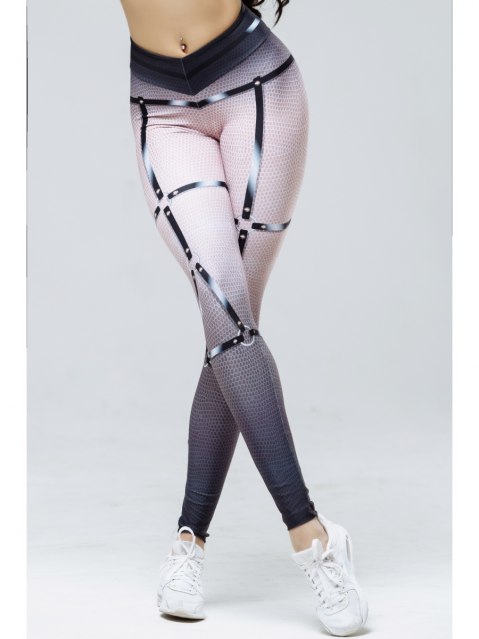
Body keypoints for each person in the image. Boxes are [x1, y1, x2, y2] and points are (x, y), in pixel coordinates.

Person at [119, 0, 368, 635]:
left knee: (229, 326)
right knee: (226, 315)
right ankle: (313, 534)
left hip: (258, 90)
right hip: (161, 109)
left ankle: (191, 540)